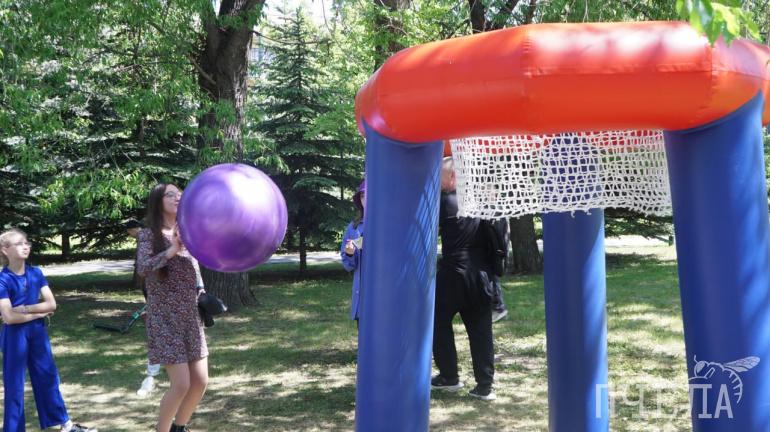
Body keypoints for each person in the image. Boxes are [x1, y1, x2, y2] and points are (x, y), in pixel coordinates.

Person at [0, 228, 97, 432]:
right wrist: (38, 313)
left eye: (26, 242)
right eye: (19, 243)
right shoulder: (3, 279)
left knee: (48, 376)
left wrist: (25, 309)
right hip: (14, 336)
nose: (25, 246)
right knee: (14, 385)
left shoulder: (36, 273)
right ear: (5, 250)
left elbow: (51, 304)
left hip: (37, 333)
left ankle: (65, 425)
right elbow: (8, 317)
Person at [136, 184, 208, 432]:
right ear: (158, 201)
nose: (177, 198)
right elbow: (143, 268)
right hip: (164, 318)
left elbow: (195, 264)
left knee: (200, 381)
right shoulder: (148, 235)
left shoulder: (189, 231)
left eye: (179, 194)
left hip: (190, 315)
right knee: (181, 385)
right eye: (170, 195)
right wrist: (172, 250)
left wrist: (201, 289)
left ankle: (180, 427)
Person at [431, 157, 496, 401]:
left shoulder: (446, 201)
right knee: (481, 330)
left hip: (454, 274)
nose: (438, 183)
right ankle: (485, 386)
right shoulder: (480, 202)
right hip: (481, 276)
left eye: (440, 177)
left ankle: (449, 376)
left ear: (453, 177)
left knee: (436, 321)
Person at [125, 219, 162, 397]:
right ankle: (151, 375)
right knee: (156, 334)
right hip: (154, 292)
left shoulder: (147, 237)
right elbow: (144, 268)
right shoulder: (146, 238)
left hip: (172, 297)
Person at [340, 180, 366, 324]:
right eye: (362, 196)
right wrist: (349, 253)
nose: (365, 199)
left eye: (368, 194)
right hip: (362, 298)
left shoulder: (388, 223)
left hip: (383, 296)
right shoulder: (353, 227)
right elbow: (349, 265)